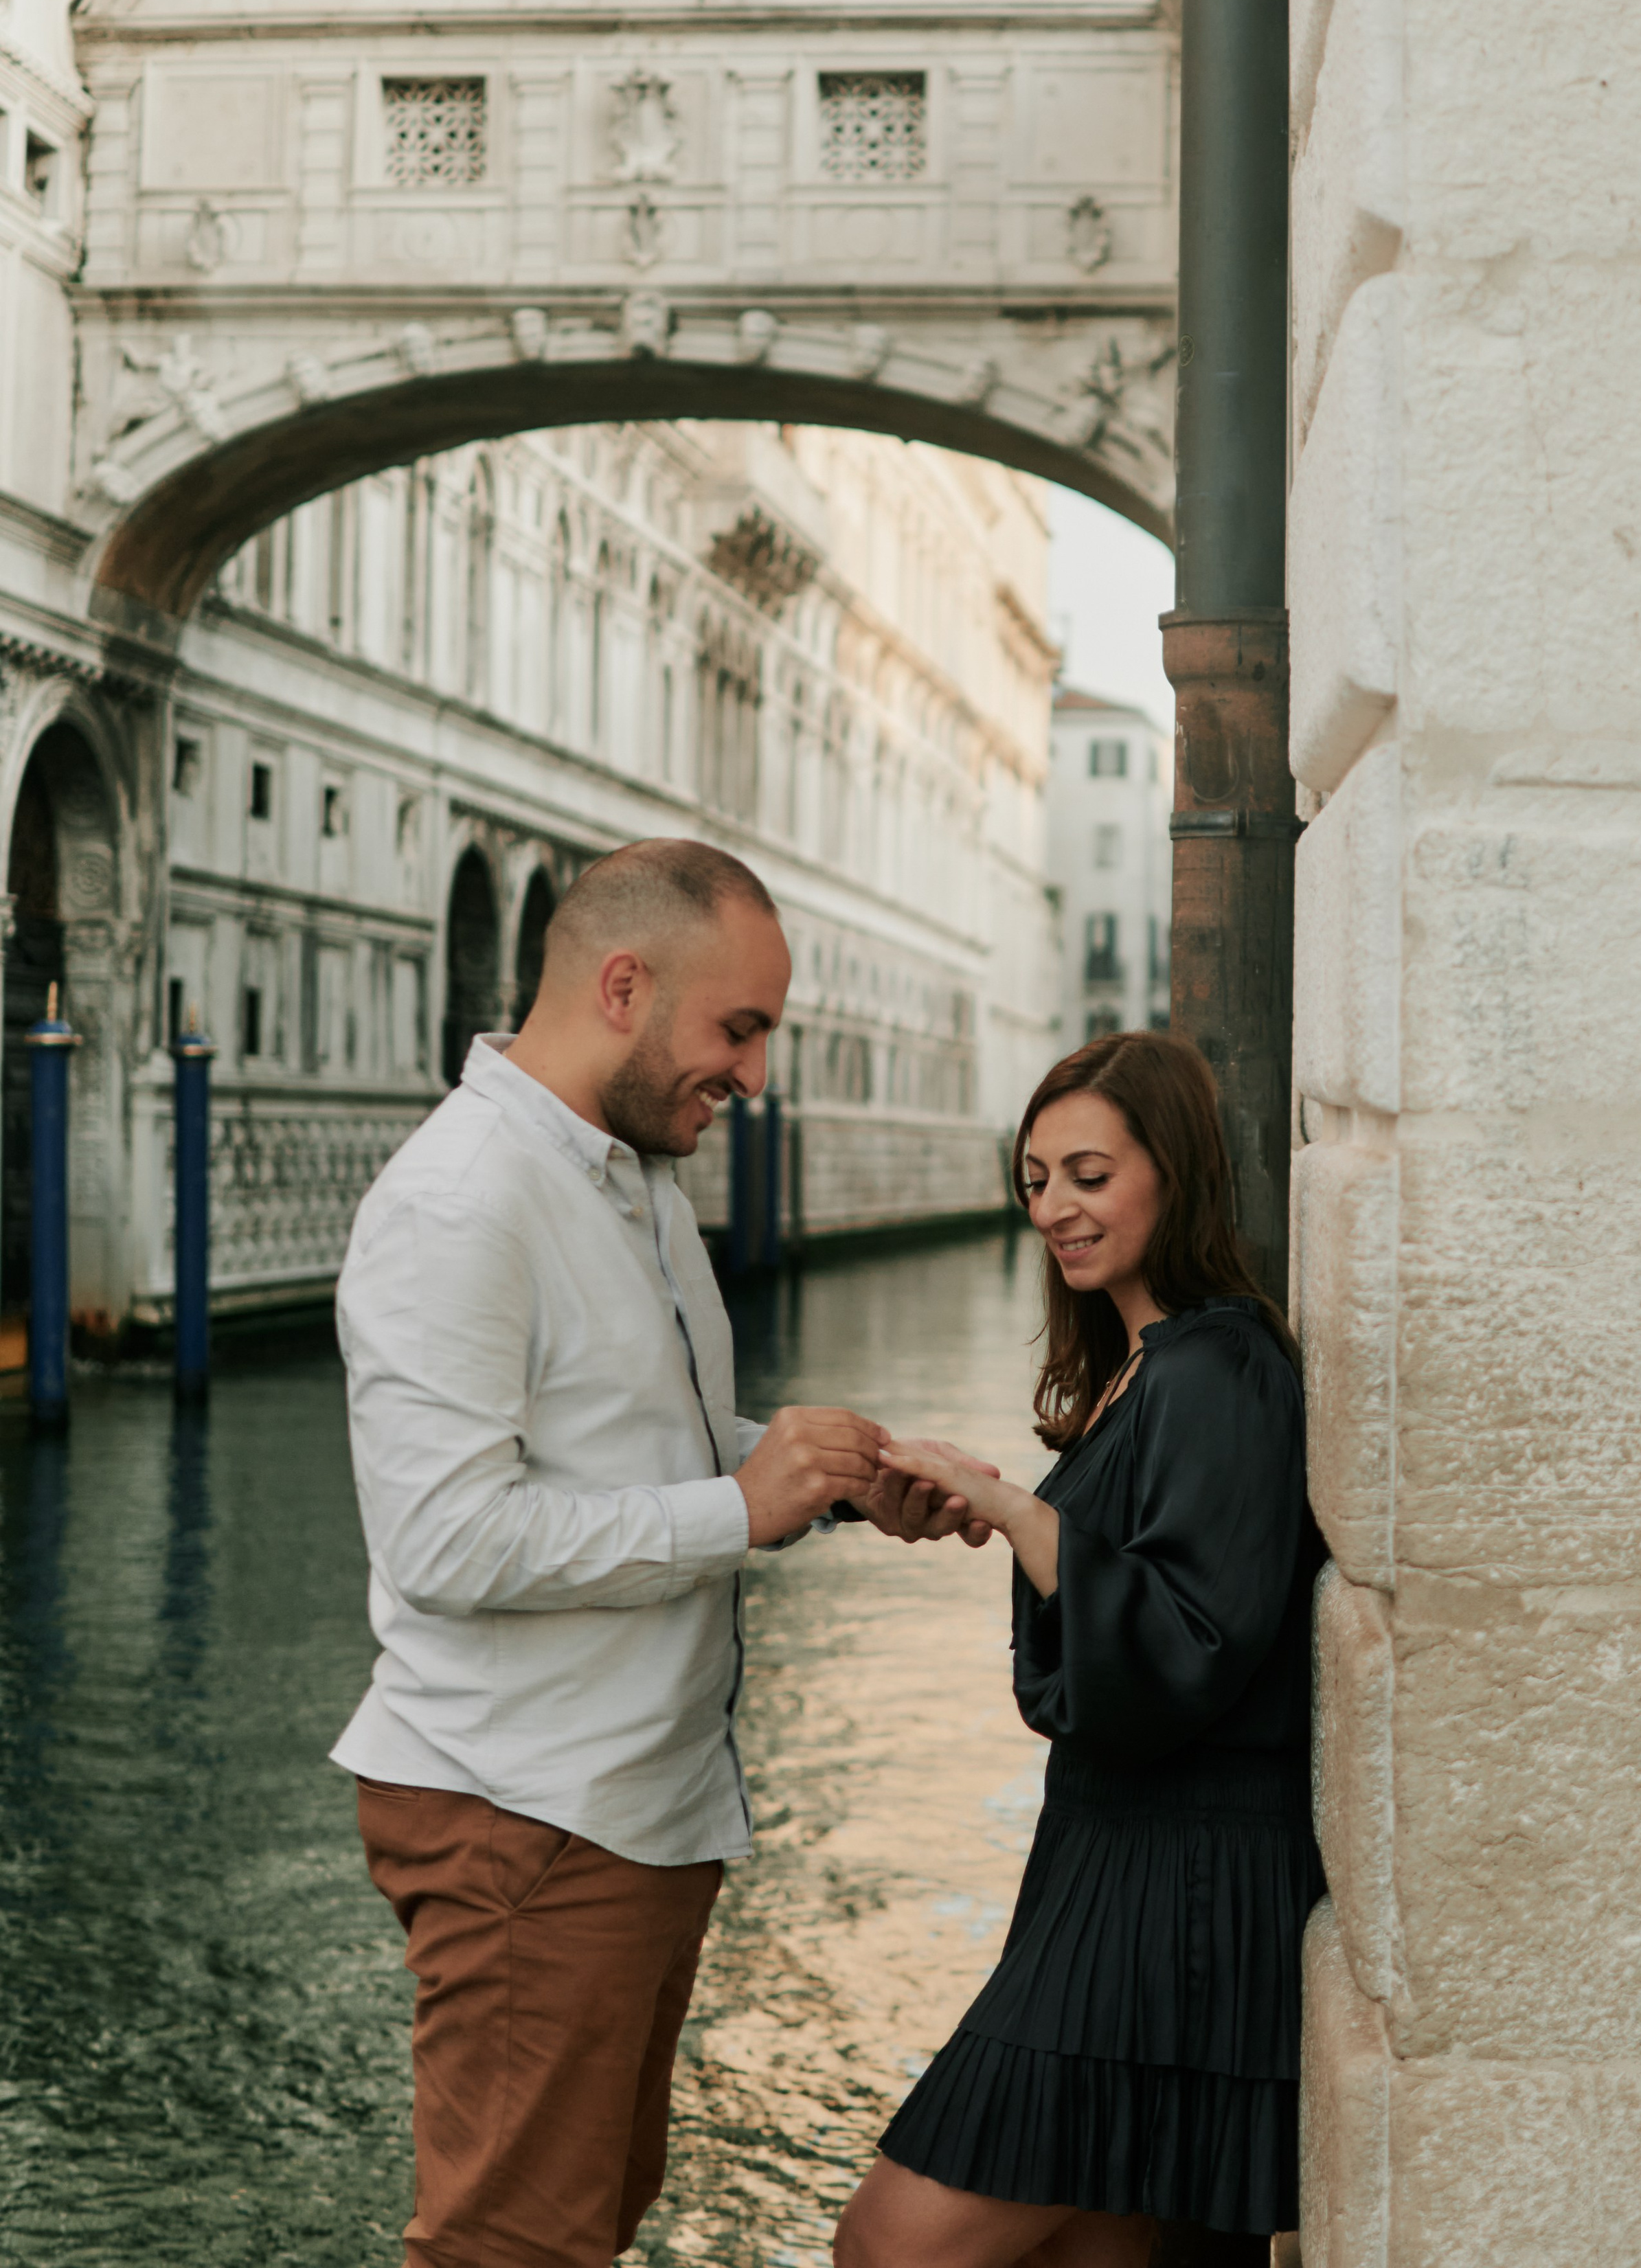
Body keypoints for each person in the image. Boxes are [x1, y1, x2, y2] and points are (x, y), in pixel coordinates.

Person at [329, 839, 977, 2268]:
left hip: (621, 1811)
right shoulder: (462, 1199)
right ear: (622, 986)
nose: (753, 1076)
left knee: (584, 2223)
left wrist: (829, 1480)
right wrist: (740, 1507)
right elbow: (446, 1539)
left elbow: (636, 1446)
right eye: (737, 1029)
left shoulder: (632, 1178)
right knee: (513, 2247)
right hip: (527, 1814)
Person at [836, 1030, 1326, 2268]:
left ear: (1176, 1172)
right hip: (1114, 1868)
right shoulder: (1144, 1369)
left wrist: (1016, 1514)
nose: (1055, 1207)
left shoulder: (1223, 1369)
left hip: (1176, 1895)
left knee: (888, 2247)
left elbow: (1190, 1644)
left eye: (1090, 1175)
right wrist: (1009, 1521)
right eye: (1037, 1180)